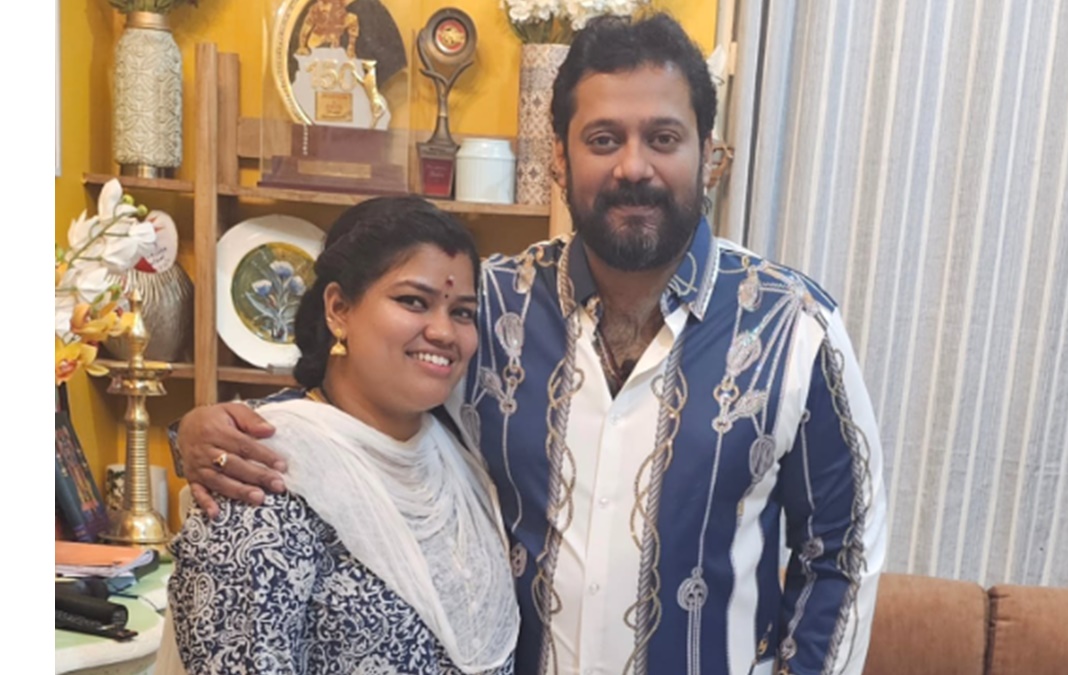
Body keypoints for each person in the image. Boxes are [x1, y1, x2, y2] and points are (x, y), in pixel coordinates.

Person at [174, 13, 887, 675]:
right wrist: (216, 429)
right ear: (560, 160)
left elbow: (842, 550)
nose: (633, 166)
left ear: (711, 157)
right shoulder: (488, 308)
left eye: (664, 138)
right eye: (603, 139)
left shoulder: (792, 329)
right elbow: (367, 392)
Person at [165, 196, 519, 674]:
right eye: (413, 301)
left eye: (462, 312)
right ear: (338, 309)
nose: (443, 332)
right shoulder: (264, 473)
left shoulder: (460, 455)